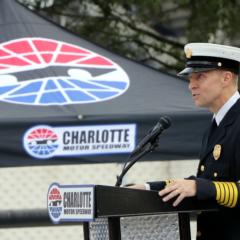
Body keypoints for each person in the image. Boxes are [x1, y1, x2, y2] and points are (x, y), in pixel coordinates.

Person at [131, 43, 240, 240]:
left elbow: (205, 186)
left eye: (200, 76)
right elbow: (207, 183)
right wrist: (148, 188)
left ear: (226, 77)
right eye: (190, 79)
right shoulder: (215, 125)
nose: (191, 85)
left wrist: (199, 187)